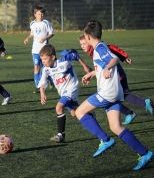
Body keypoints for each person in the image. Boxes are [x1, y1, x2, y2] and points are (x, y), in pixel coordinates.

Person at [75, 20, 153, 171]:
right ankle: (145, 153)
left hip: (107, 93)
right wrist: (92, 73)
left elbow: (114, 59)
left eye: (85, 37)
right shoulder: (100, 47)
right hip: (115, 93)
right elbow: (104, 64)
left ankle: (104, 140)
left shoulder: (99, 48)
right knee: (116, 126)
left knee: (79, 111)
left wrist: (108, 68)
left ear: (89, 36)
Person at [79, 35, 153, 124]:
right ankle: (131, 112)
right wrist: (91, 74)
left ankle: (140, 106)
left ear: (90, 40)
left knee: (118, 95)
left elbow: (112, 48)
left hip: (117, 74)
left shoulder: (99, 48)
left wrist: (124, 56)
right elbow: (101, 67)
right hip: (112, 75)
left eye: (84, 43)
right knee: (111, 98)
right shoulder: (93, 51)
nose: (82, 46)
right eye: (81, 44)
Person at [38, 45, 91, 143]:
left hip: (72, 88)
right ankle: (89, 113)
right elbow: (42, 82)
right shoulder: (46, 69)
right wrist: (42, 93)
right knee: (75, 113)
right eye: (42, 59)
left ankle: (61, 135)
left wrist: (85, 66)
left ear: (53, 57)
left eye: (45, 59)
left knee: (59, 107)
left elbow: (75, 54)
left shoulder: (64, 62)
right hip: (63, 92)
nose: (43, 61)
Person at [24, 5, 54, 93]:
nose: (41, 15)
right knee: (36, 67)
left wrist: (45, 38)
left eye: (42, 14)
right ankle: (38, 86)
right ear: (35, 14)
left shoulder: (46, 23)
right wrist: (27, 38)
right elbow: (32, 33)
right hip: (35, 50)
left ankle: (51, 80)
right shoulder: (32, 23)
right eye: (39, 14)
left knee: (46, 68)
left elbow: (52, 33)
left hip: (44, 49)